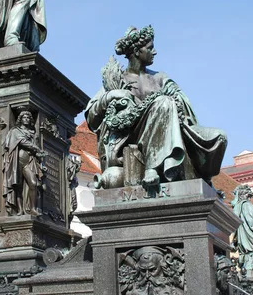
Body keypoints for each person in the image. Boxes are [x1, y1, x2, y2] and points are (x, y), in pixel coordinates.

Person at [85, 25, 227, 188]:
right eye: (150, 47)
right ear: (137, 52)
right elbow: (91, 118)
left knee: (219, 137)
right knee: (163, 102)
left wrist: (176, 97)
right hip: (132, 135)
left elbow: (186, 108)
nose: (155, 52)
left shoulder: (160, 78)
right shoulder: (119, 80)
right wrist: (110, 96)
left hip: (172, 128)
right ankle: (153, 168)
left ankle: (202, 181)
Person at [3, 111, 47, 216]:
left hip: (30, 160)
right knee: (18, 184)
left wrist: (41, 160)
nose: (26, 119)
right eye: (24, 117)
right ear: (20, 119)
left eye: (28, 117)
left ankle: (32, 208)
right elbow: (23, 141)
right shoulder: (15, 131)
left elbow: (36, 150)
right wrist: (36, 148)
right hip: (18, 160)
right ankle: (20, 209)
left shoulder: (33, 133)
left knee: (33, 183)